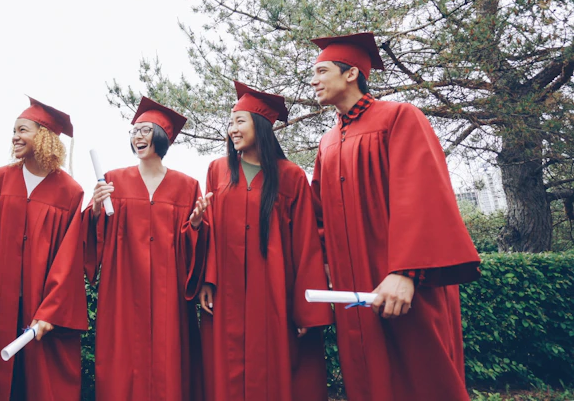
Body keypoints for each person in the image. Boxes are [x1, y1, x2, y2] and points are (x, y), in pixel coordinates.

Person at [309, 32, 481, 401]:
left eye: (322, 71)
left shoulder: (399, 117)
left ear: (352, 73)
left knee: (422, 378)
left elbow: (423, 197)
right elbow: (318, 216)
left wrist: (406, 271)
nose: (313, 80)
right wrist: (324, 263)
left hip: (405, 284)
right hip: (355, 292)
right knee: (368, 380)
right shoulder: (326, 143)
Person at [198, 81, 333, 401]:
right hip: (227, 293)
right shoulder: (218, 170)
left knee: (275, 371)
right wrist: (207, 279)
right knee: (227, 372)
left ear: (260, 125)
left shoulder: (290, 176)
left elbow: (306, 246)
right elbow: (210, 228)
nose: (232, 129)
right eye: (230, 123)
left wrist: (306, 310)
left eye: (239, 121)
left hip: (274, 293)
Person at [85, 97, 210, 400]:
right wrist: (97, 207)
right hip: (123, 289)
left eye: (144, 130)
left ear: (162, 136)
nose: (137, 137)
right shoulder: (113, 180)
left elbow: (196, 248)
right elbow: (92, 235)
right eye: (134, 131)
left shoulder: (187, 186)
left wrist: (194, 226)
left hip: (169, 293)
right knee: (122, 359)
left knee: (170, 360)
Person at [0, 97, 87, 401]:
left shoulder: (70, 192)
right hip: (4, 301)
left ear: (44, 136)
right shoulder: (1, 178)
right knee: (2, 380)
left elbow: (69, 259)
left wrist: (50, 310)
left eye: (23, 130)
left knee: (40, 383)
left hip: (42, 309)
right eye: (14, 130)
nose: (15, 137)